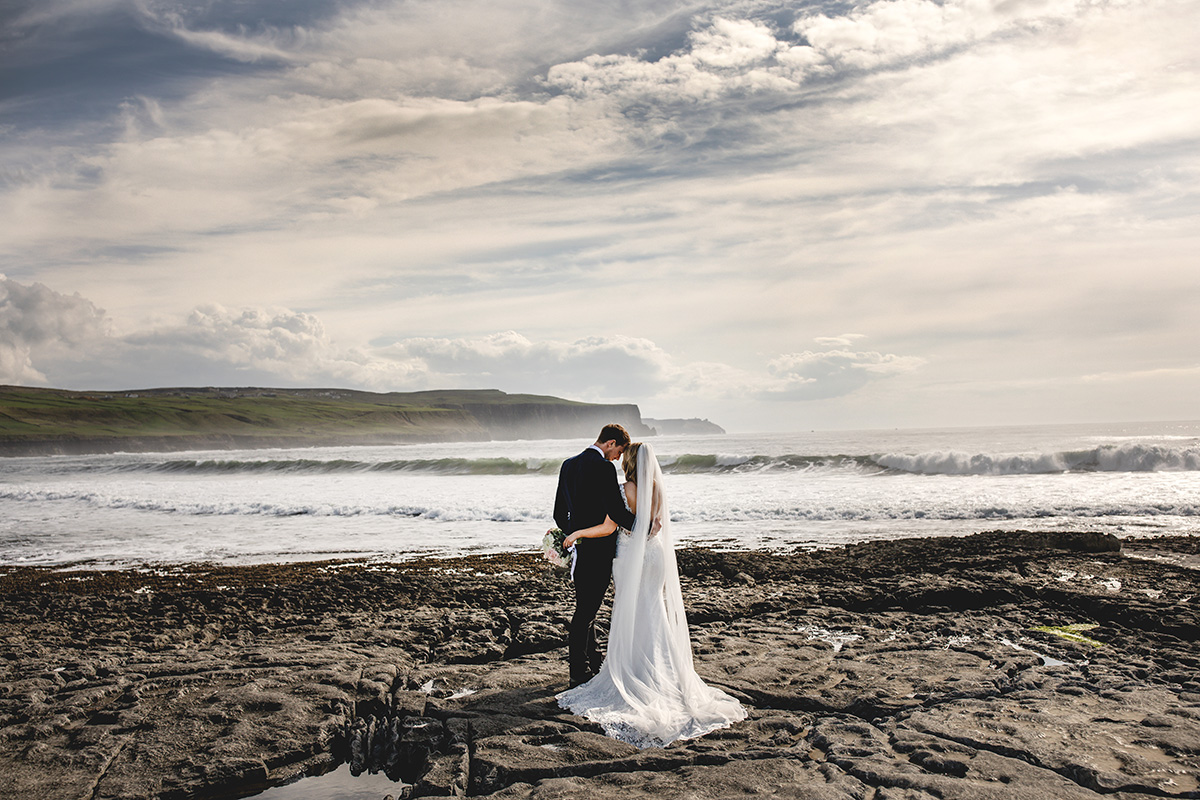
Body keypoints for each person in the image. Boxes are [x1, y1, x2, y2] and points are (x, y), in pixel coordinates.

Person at [556, 441, 746, 748]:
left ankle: (632, 672)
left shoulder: (622, 488)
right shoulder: (657, 487)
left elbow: (608, 527)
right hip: (654, 556)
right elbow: (656, 524)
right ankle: (663, 673)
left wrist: (576, 533)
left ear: (628, 462)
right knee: (654, 610)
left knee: (629, 610)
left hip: (630, 556)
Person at [553, 424, 637, 688]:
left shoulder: (568, 464)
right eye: (620, 451)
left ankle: (592, 661)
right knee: (585, 613)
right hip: (599, 550)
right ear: (610, 443)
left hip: (579, 551)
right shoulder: (603, 468)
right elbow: (615, 511)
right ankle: (578, 672)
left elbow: (558, 512)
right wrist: (643, 527)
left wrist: (573, 536)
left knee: (586, 609)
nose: (619, 458)